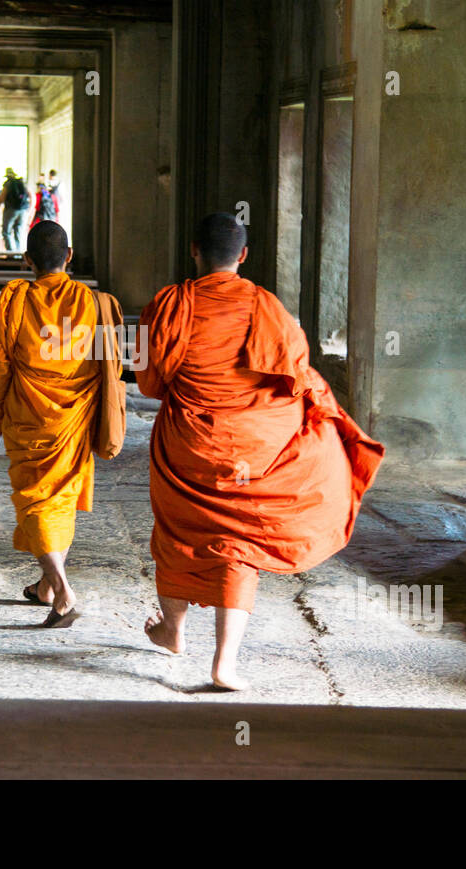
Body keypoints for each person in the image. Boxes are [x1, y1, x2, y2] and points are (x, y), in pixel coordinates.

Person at [138, 212, 385, 690]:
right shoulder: (270, 307)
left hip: (189, 444)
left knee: (177, 529)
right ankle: (224, 663)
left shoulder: (167, 304)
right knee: (238, 544)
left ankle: (172, 629)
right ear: (244, 256)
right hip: (257, 448)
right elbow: (294, 375)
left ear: (193, 251)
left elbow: (149, 382)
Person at [0, 221, 114, 628]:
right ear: (69, 257)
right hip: (74, 416)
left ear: (27, 261)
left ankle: (62, 590)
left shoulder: (17, 298)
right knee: (60, 497)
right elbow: (109, 362)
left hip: (28, 413)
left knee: (37, 499)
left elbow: (0, 362)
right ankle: (45, 587)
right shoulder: (91, 302)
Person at [0, 167, 29, 251]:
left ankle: (10, 252)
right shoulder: (21, 183)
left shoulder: (8, 184)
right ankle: (18, 252)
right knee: (18, 231)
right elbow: (31, 195)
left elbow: (1, 198)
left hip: (11, 210)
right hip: (23, 210)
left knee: (6, 232)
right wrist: (28, 209)